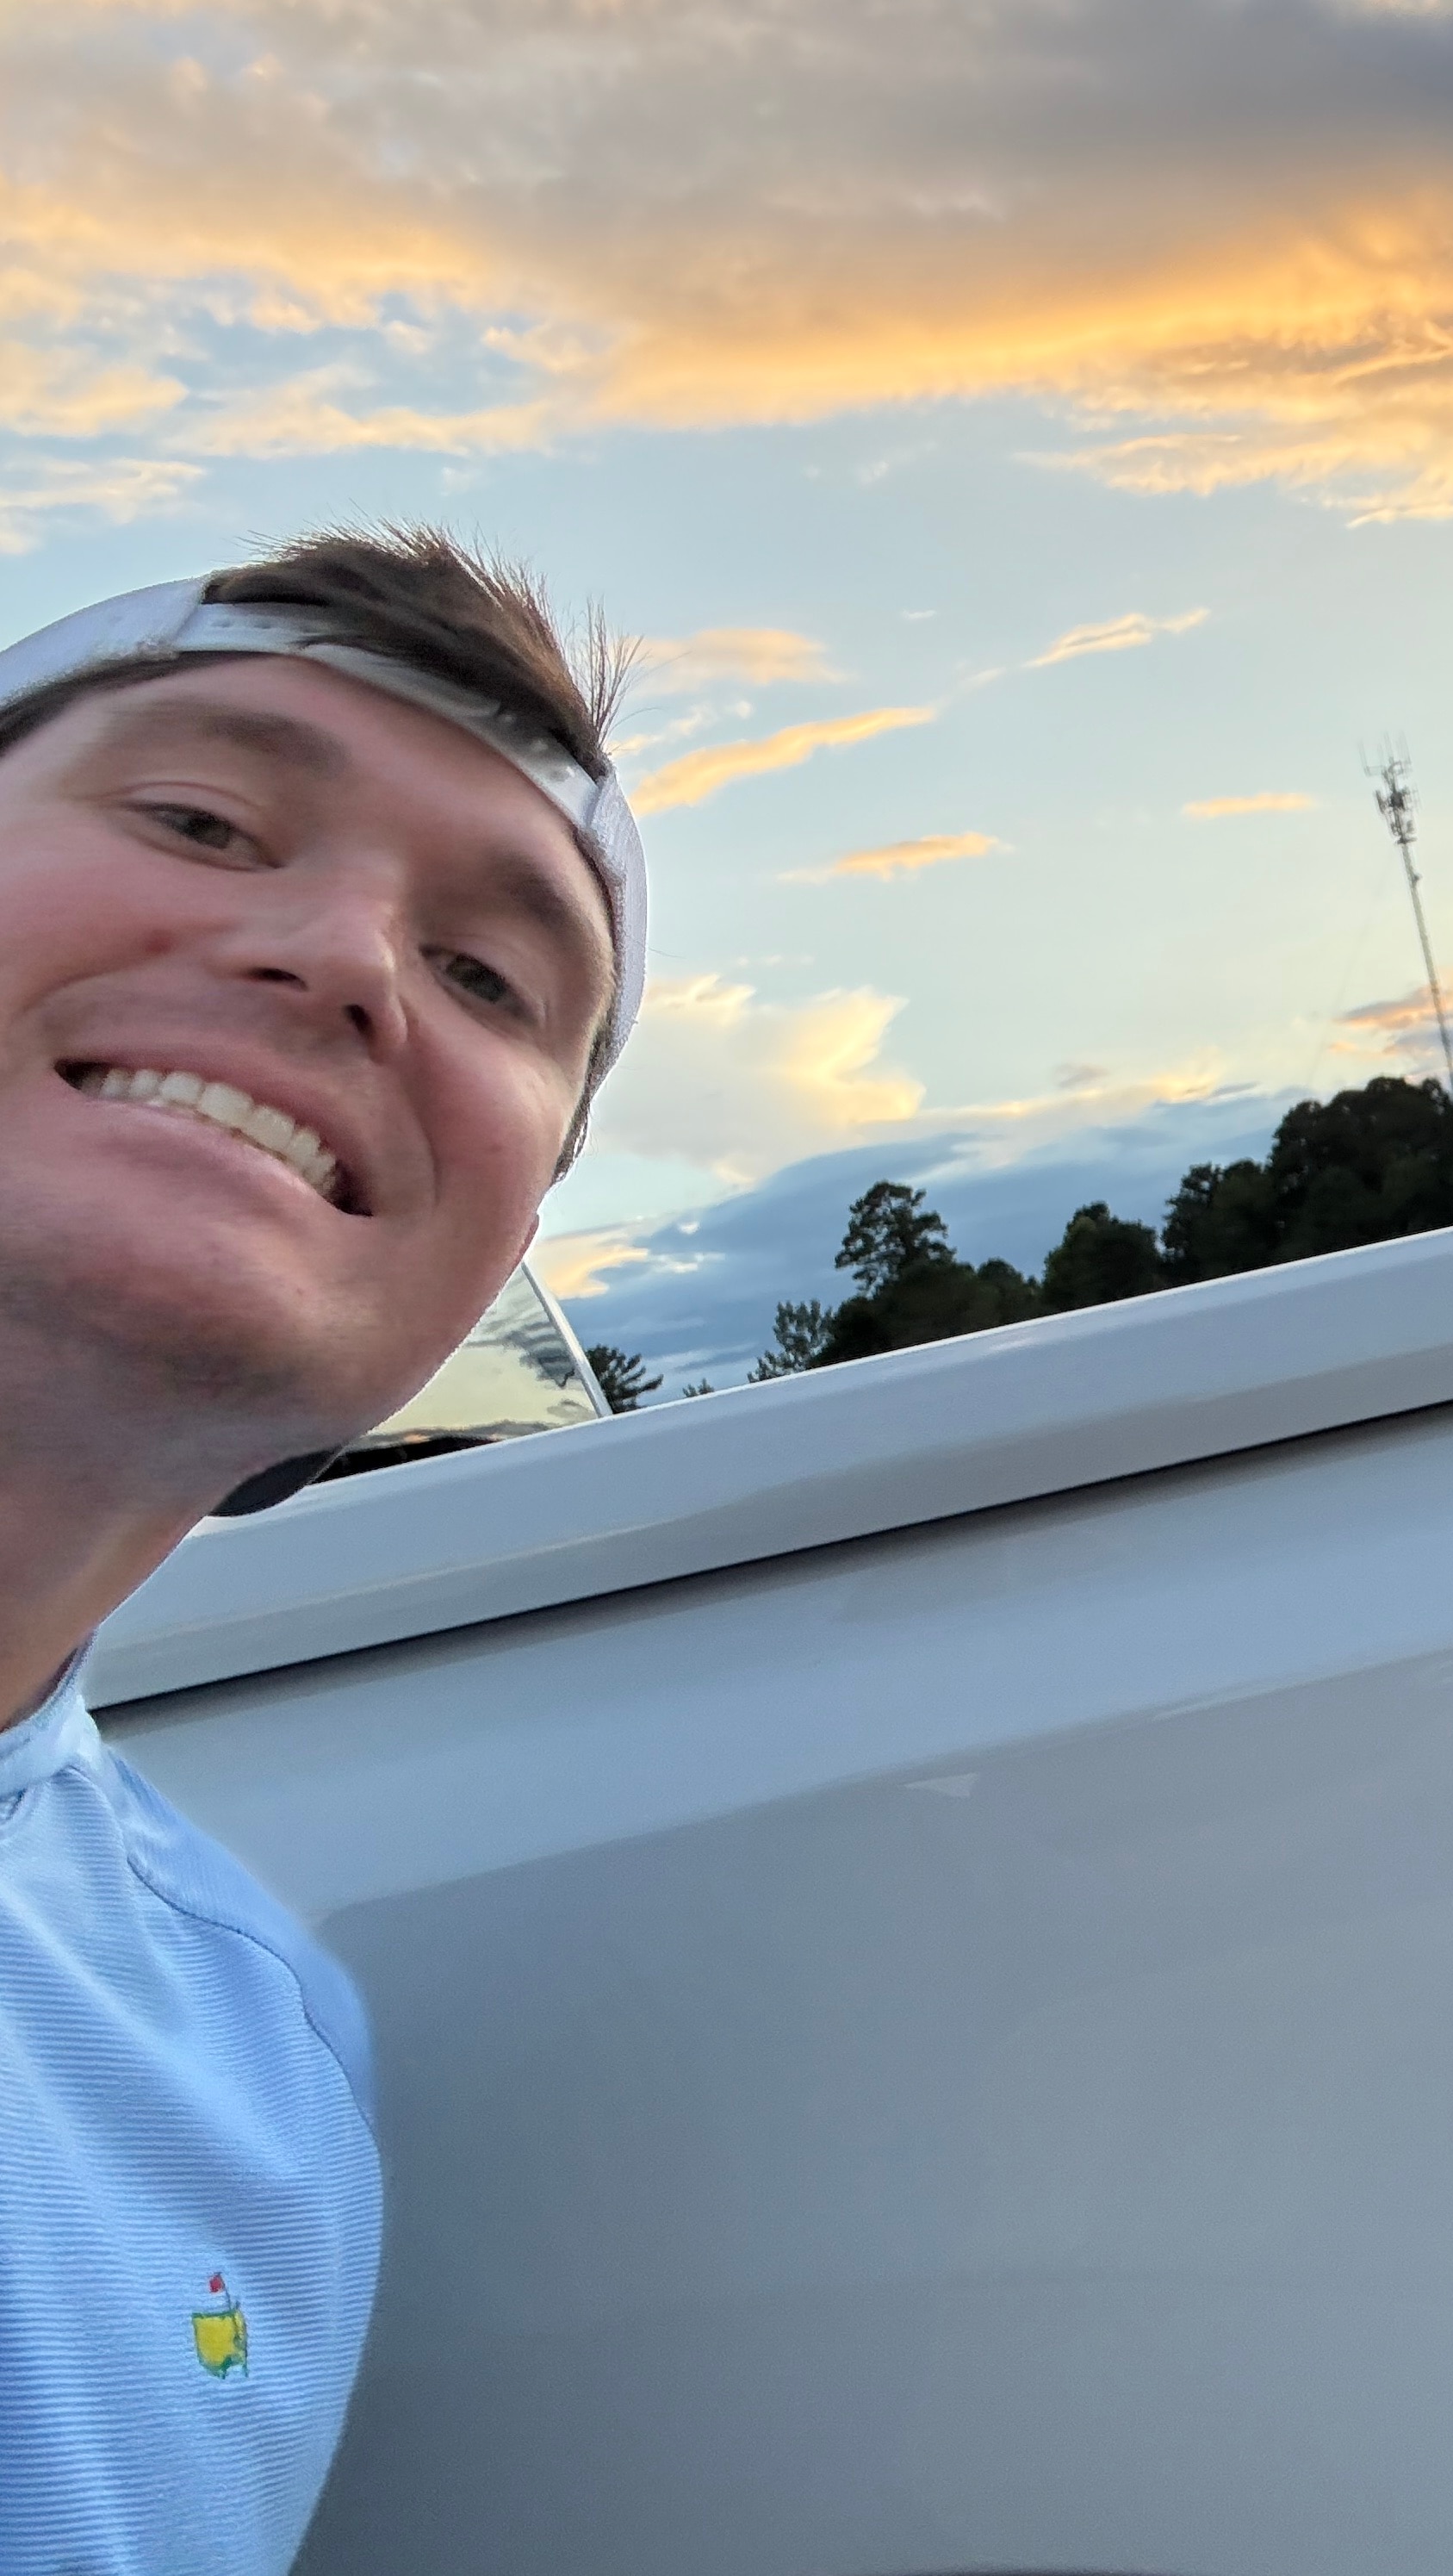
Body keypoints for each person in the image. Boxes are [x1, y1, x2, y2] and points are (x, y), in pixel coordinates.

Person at [0, 532, 645, 2574]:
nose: (352, 956)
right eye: (201, 818)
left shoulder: (255, 2071)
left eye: (489, 979)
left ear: (488, 1261)